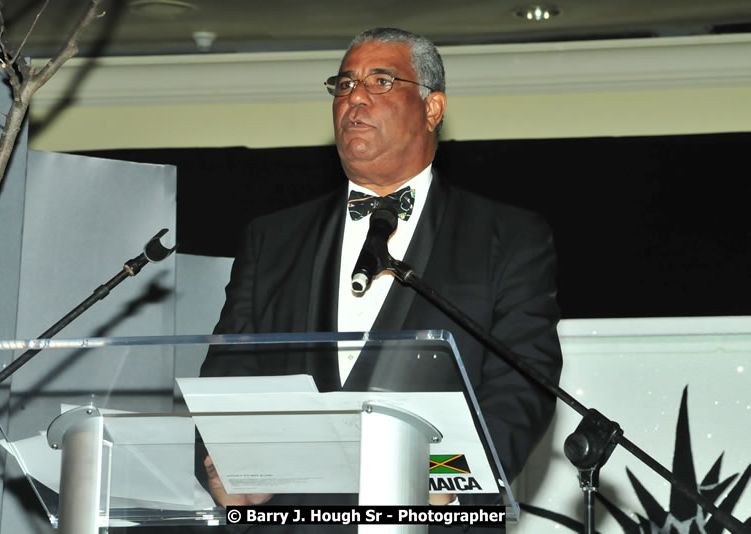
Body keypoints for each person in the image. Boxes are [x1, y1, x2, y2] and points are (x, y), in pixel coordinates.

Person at [198, 27, 562, 531]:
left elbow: (521, 385)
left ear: (433, 108)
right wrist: (229, 466)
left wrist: (442, 476)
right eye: (344, 85)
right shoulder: (273, 238)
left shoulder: (506, 236)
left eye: (381, 81)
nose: (356, 97)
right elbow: (230, 373)